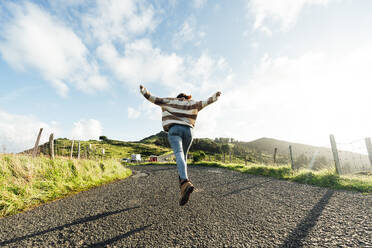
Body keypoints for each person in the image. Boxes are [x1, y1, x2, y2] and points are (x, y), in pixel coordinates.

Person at [139, 85, 221, 206]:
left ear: (178, 97)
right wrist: (215, 97)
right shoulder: (191, 103)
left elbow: (153, 99)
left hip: (174, 130)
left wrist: (143, 91)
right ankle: (183, 186)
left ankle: (184, 181)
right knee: (184, 156)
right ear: (186, 97)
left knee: (179, 154)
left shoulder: (170, 101)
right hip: (188, 131)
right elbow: (206, 102)